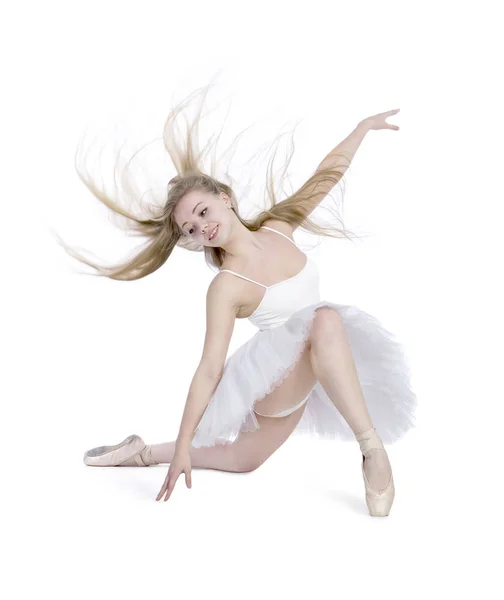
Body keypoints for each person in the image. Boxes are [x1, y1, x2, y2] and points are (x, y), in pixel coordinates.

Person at [59, 83, 416, 517]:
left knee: (241, 460)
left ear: (224, 199)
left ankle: (139, 452)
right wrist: (187, 437)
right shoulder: (226, 286)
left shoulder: (278, 227)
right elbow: (209, 369)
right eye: (189, 229)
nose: (200, 228)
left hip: (317, 371)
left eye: (202, 212)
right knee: (325, 319)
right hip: (276, 381)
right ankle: (372, 451)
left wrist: (360, 129)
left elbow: (324, 177)